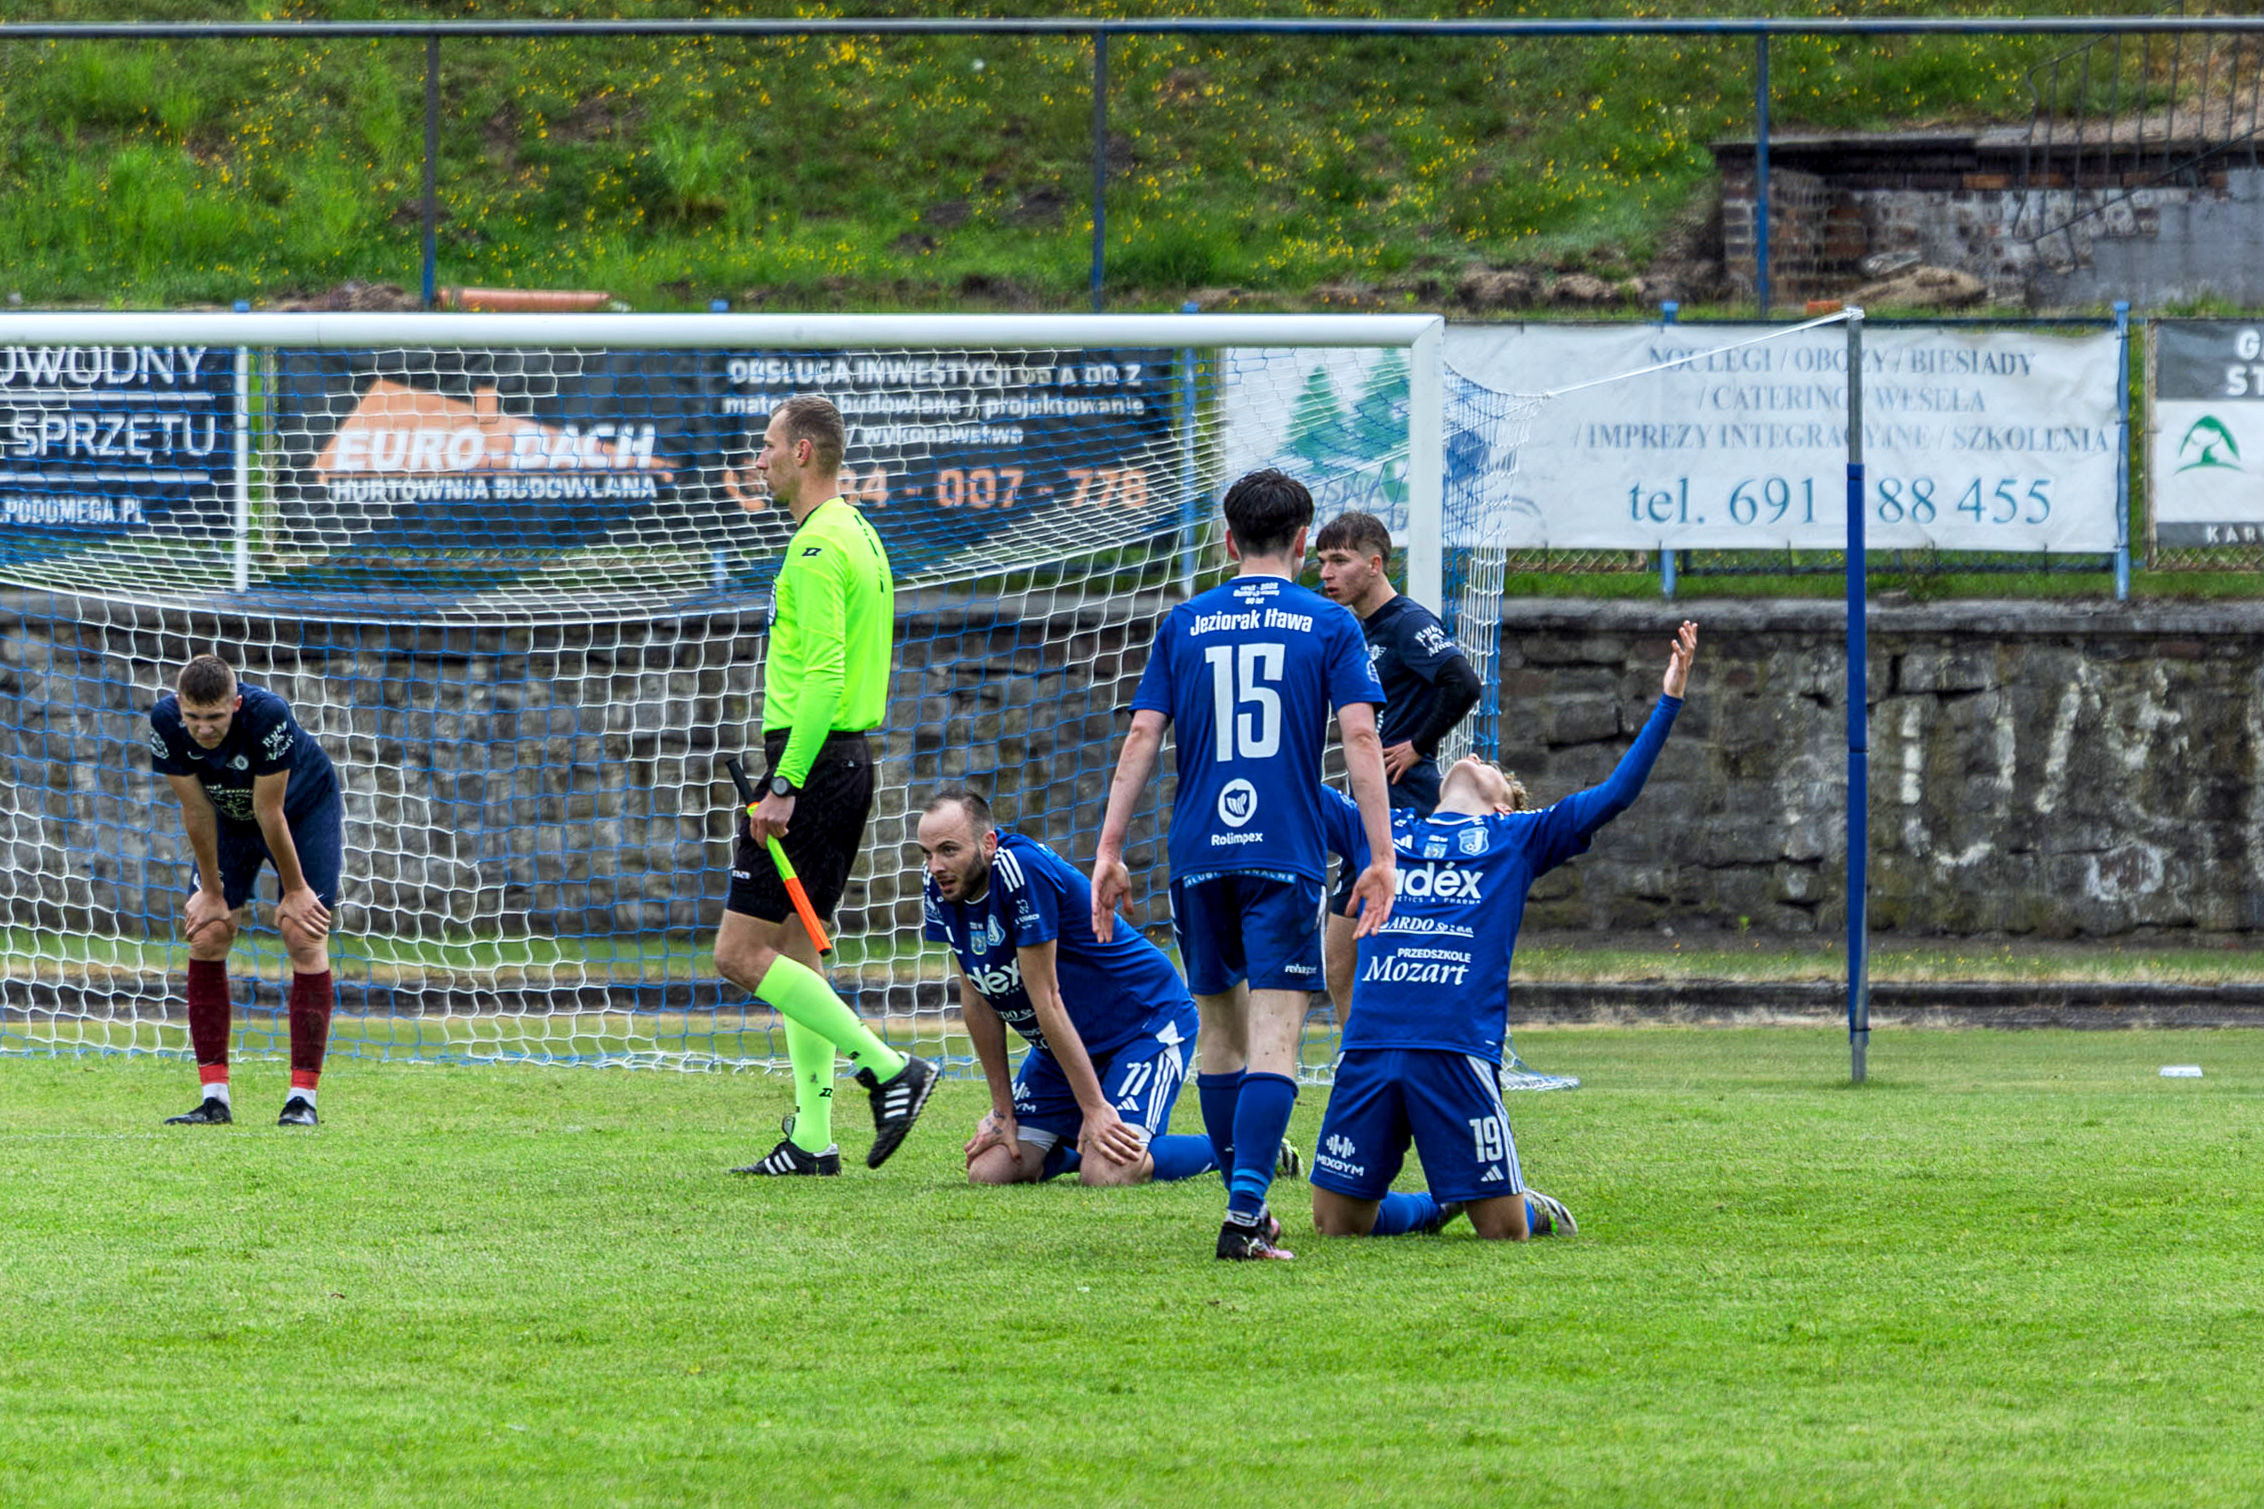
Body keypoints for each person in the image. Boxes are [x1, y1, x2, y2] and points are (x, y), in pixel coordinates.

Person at [1310, 620, 1698, 1242]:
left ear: (1503, 807)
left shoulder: (1516, 838)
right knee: (1335, 1225)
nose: (1476, 758)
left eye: (1491, 766)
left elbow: (1617, 793)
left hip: (1457, 1050)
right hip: (1370, 1048)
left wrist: (1670, 699)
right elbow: (1298, 786)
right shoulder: (1383, 829)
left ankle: (1524, 1206)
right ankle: (1437, 1206)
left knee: (1505, 1233)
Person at [1092, 468, 1397, 1261]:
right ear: (1303, 542)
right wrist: (1381, 855)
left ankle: (1245, 1206)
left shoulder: (1184, 622)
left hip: (1197, 856)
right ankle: (1245, 1211)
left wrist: (1109, 850)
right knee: (1273, 1041)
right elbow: (1363, 741)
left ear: (1228, 540)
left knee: (1219, 1041)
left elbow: (1141, 739)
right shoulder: (1331, 625)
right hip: (1283, 853)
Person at [715, 395, 935, 1176]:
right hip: (844, 761)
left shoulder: (815, 549)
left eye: (769, 445)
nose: (760, 458)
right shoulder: (860, 535)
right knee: (795, 947)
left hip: (813, 764)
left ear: (804, 451)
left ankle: (887, 1066)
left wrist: (782, 782)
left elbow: (825, 675)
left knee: (740, 953)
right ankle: (812, 1137)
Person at [916, 790, 1229, 1188]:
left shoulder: (1020, 872)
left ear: (988, 843)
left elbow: (1047, 997)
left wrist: (1094, 1107)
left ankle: (1235, 1150)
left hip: (1145, 1024)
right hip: (1064, 1043)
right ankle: (1072, 1149)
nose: (936, 866)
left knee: (1107, 1173)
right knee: (991, 1170)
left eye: (948, 850)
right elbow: (978, 997)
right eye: (927, 853)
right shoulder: (944, 887)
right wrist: (1001, 1111)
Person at [148, 654, 343, 1127]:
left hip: (300, 810)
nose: (204, 728)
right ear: (179, 705)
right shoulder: (164, 721)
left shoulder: (268, 714)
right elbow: (195, 810)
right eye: (193, 717)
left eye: (215, 717)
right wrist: (213, 893)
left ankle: (302, 1101)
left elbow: (269, 811)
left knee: (302, 932)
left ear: (235, 704)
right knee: (209, 933)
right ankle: (214, 1100)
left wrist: (295, 890)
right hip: (228, 820)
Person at [1314, 510, 1482, 817]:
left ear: (1374, 565)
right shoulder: (1361, 629)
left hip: (1410, 797)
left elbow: (1465, 682)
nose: (1326, 573)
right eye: (1322, 561)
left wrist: (1417, 746)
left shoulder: (1408, 622)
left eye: (1339, 561)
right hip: (1376, 790)